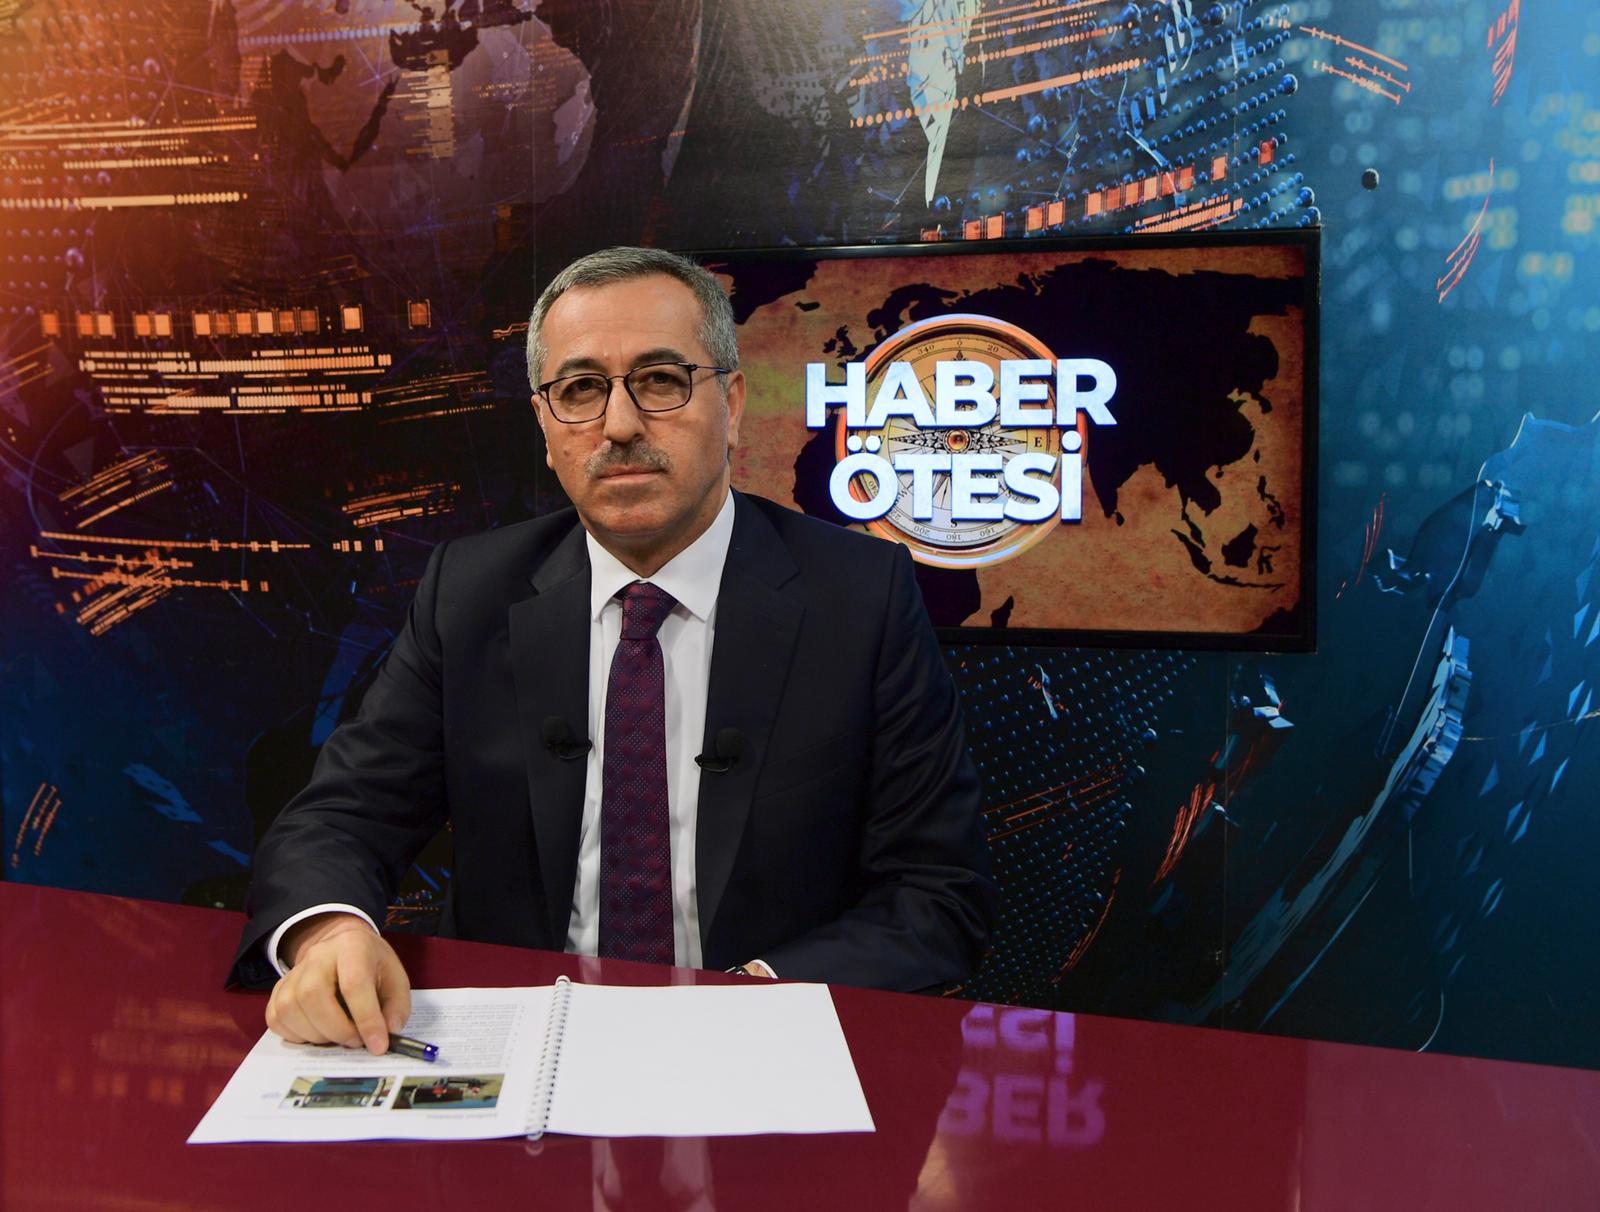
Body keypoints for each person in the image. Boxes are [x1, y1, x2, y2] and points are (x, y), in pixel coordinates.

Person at [233, 246, 996, 1054]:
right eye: (580, 390)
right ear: (544, 423)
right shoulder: (470, 593)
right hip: (515, 1053)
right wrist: (328, 933)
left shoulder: (860, 598)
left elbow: (937, 892)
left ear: (733, 404)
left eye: (661, 380)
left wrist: (752, 996)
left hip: (758, 1052)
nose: (621, 425)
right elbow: (344, 816)